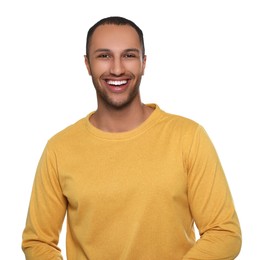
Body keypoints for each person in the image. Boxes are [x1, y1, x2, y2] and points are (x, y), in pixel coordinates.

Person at [22, 16, 242, 259]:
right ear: (87, 64)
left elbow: (224, 233)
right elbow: (38, 241)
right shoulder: (59, 149)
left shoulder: (188, 137)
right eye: (104, 56)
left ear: (143, 63)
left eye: (128, 55)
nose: (117, 69)